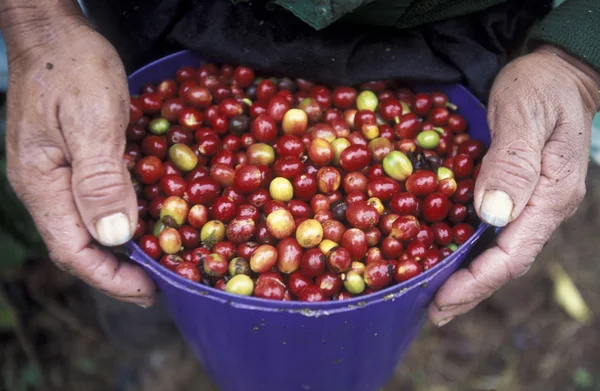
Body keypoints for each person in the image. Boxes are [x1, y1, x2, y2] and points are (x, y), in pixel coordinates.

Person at [1, 0, 599, 389]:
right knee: (125, 244)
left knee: (376, 323)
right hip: (160, 18)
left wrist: (580, 55)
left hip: (447, 36)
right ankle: (153, 354)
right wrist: (39, 22)